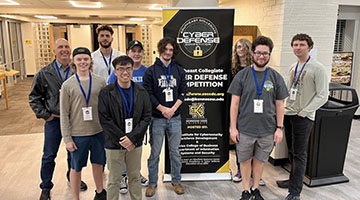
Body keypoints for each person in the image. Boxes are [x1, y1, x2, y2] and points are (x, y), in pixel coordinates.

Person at [228, 36, 289, 200]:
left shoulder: (275, 77)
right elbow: (234, 104)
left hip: (267, 130)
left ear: (269, 55)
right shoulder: (242, 76)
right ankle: (246, 190)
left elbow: (280, 104)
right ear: (253, 53)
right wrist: (233, 127)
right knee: (245, 160)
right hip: (245, 129)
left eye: (265, 53)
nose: (261, 56)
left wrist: (279, 128)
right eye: (258, 53)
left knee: (260, 161)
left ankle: (256, 188)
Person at [29, 38, 87, 200]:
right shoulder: (44, 73)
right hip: (54, 121)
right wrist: (46, 115)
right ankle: (46, 186)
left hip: (74, 120)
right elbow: (34, 97)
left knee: (73, 153)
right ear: (53, 51)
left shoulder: (78, 71)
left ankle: (73, 178)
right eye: (60, 47)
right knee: (49, 155)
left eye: (67, 46)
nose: (64, 50)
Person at [276, 34, 329, 200]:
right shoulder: (294, 66)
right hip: (289, 113)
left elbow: (323, 95)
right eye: (295, 45)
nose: (298, 47)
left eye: (302, 45)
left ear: (310, 47)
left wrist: (305, 112)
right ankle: (292, 180)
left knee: (299, 154)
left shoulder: (317, 68)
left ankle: (295, 192)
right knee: (291, 151)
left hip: (303, 117)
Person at [98, 55, 152, 200]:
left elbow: (146, 117)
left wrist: (132, 138)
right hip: (114, 144)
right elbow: (104, 119)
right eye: (120, 69)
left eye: (128, 68)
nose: (125, 72)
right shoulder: (106, 92)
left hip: (135, 143)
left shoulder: (141, 92)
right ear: (115, 72)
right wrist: (123, 139)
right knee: (114, 180)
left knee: (134, 177)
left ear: (132, 69)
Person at [60, 47, 107, 200]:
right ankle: (75, 197)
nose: (83, 62)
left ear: (90, 60)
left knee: (98, 164)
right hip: (78, 134)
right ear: (74, 61)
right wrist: (67, 138)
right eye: (79, 59)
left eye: (85, 59)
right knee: (76, 167)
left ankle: (100, 192)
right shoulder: (68, 85)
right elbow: (64, 114)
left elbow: (106, 109)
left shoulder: (100, 82)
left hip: (98, 131)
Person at [143, 37, 187, 197]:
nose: (168, 53)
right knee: (155, 153)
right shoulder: (151, 71)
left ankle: (176, 181)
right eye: (165, 49)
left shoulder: (179, 70)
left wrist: (173, 109)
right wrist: (163, 109)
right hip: (157, 118)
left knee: (175, 151)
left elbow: (183, 91)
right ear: (161, 49)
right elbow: (148, 93)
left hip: (175, 118)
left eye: (171, 50)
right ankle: (152, 183)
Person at [107, 40, 149, 193]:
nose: (137, 54)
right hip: (121, 119)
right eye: (133, 51)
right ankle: (123, 176)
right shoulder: (116, 73)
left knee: (137, 147)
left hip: (138, 120)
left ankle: (134, 173)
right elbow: (110, 91)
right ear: (128, 53)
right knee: (123, 144)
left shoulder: (147, 71)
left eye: (139, 51)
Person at [231, 38, 266, 186]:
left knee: (256, 143)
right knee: (241, 141)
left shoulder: (256, 67)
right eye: (238, 47)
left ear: (249, 49)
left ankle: (255, 174)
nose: (240, 49)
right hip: (238, 108)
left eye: (243, 47)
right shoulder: (233, 68)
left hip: (255, 109)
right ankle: (240, 170)